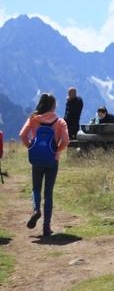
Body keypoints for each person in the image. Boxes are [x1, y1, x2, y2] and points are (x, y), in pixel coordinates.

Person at [19, 93, 70, 236]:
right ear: (53, 106)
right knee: (48, 193)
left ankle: (36, 210)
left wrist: (31, 147)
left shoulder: (33, 119)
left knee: (36, 188)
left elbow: (22, 134)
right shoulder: (60, 122)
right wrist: (57, 150)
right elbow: (66, 140)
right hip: (52, 160)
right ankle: (46, 227)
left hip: (37, 159)